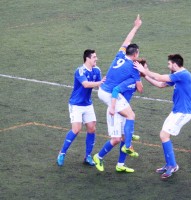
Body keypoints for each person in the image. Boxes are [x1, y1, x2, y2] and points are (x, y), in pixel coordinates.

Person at [93, 14, 143, 171]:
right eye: (138, 54)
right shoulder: (134, 67)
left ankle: (121, 164)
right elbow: (140, 89)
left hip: (103, 90)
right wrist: (144, 73)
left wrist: (135, 26)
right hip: (110, 95)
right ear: (135, 55)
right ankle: (103, 155)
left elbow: (126, 41)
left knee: (125, 130)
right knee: (130, 118)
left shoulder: (119, 55)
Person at [134, 54, 191, 179]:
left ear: (175, 64)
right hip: (177, 111)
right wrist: (145, 75)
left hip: (183, 112)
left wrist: (145, 70)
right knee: (163, 135)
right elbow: (160, 84)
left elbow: (160, 77)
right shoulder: (178, 76)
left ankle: (173, 165)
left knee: (164, 135)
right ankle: (169, 164)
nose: (168, 66)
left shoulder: (183, 74)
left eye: (169, 64)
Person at [93, 59, 146, 173]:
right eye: (144, 67)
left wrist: (143, 74)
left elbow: (141, 89)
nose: (146, 69)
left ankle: (120, 165)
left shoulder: (136, 80)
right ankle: (98, 156)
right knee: (116, 139)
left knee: (125, 137)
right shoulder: (129, 80)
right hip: (116, 110)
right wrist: (112, 107)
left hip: (122, 109)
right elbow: (115, 90)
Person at [56, 49, 106, 166]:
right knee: (76, 129)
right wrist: (100, 83)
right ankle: (62, 153)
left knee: (92, 128)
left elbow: (100, 86)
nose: (96, 59)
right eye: (94, 57)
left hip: (87, 104)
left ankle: (88, 156)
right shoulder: (80, 71)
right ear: (87, 59)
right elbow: (86, 84)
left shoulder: (97, 70)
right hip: (76, 104)